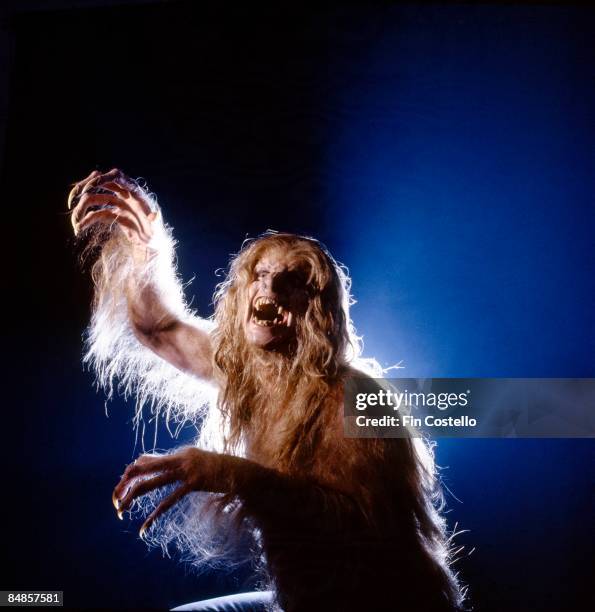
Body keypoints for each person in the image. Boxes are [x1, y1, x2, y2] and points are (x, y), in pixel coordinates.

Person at [69, 169, 465, 611]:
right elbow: (160, 329)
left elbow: (364, 530)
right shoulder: (248, 370)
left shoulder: (354, 396)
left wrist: (232, 474)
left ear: (320, 312)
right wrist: (147, 246)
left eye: (291, 281)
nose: (269, 287)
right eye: (260, 274)